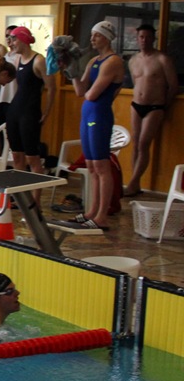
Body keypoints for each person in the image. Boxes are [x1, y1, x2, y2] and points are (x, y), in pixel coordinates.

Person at [59, 21, 124, 231]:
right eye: (92, 35)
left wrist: (79, 76)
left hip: (100, 115)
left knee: (102, 167)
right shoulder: (94, 61)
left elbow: (92, 94)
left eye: (96, 35)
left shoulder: (113, 62)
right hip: (88, 115)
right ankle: (91, 212)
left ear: (106, 38)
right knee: (92, 166)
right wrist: (72, 69)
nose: (92, 39)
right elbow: (80, 91)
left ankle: (102, 216)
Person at [124, 23, 178, 197]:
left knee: (143, 143)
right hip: (136, 104)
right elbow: (136, 83)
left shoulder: (162, 59)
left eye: (147, 37)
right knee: (135, 143)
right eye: (141, 37)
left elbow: (173, 85)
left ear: (153, 38)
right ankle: (135, 183)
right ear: (137, 38)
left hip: (155, 106)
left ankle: (132, 183)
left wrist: (165, 106)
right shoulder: (133, 60)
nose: (144, 40)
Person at [7, 26, 55, 186]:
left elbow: (52, 88)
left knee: (32, 158)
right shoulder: (17, 60)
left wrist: (46, 113)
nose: (11, 43)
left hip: (30, 113)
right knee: (16, 157)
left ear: (24, 40)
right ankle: (20, 195)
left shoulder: (39, 60)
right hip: (14, 111)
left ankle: (35, 198)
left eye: (14, 39)